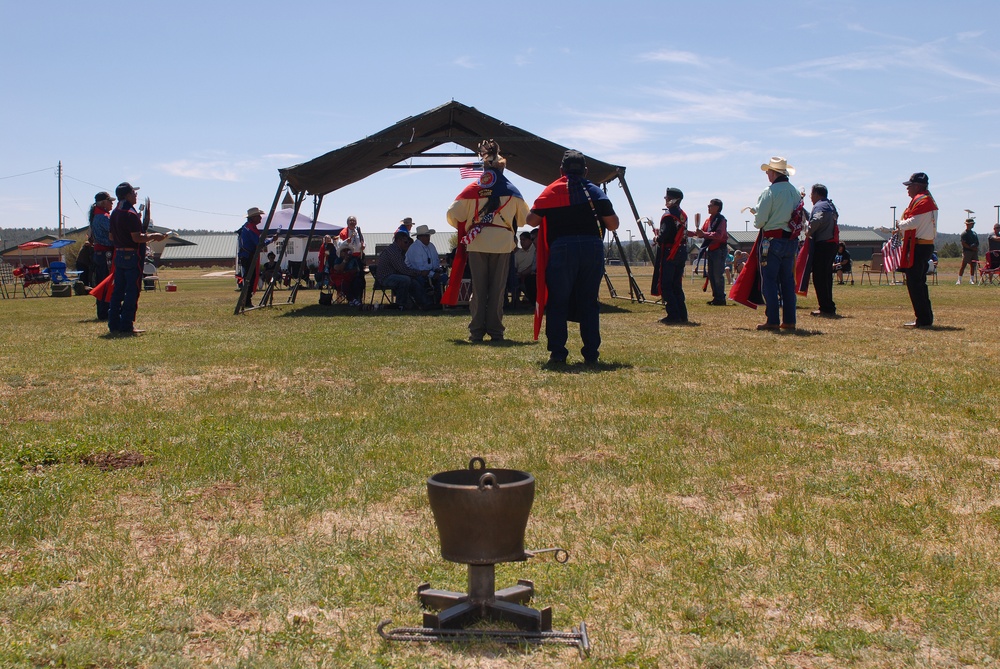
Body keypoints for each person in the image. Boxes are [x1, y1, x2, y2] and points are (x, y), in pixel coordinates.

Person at [526, 149, 619, 363]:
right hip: (592, 248)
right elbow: (613, 224)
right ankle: (591, 354)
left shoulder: (551, 191)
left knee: (558, 301)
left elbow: (531, 221)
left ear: (561, 170)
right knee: (589, 301)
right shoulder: (596, 193)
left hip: (562, 249)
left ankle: (558, 353)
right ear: (586, 171)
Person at [446, 140, 529, 342]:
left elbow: (452, 214)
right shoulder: (512, 191)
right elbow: (525, 219)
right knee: (497, 290)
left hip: (477, 243)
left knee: (479, 288)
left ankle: (476, 332)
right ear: (502, 168)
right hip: (502, 244)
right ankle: (496, 331)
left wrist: (468, 224)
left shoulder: (471, 190)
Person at [107, 182, 167, 335]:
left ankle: (114, 324)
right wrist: (153, 236)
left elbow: (111, 236)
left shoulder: (114, 213)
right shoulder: (130, 214)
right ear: (127, 195)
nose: (136, 195)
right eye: (133, 193)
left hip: (119, 255)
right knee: (132, 291)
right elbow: (137, 238)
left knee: (118, 291)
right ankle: (127, 324)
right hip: (132, 256)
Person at [753, 157, 802, 331]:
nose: (767, 174)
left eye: (768, 171)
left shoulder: (770, 192)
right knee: (788, 282)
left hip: (772, 241)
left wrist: (756, 216)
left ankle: (772, 319)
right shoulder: (795, 192)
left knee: (770, 281)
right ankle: (789, 320)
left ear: (774, 173)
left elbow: (760, 221)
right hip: (790, 241)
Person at [898, 172, 938, 327]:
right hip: (922, 245)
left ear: (917, 186)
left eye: (909, 186)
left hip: (919, 246)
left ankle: (923, 319)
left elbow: (913, 222)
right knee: (919, 283)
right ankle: (925, 317)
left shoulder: (923, 201)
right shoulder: (925, 199)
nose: (907, 189)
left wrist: (899, 224)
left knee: (915, 283)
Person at [650, 187, 690, 323]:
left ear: (673, 199)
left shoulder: (668, 215)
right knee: (676, 284)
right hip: (681, 252)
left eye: (667, 197)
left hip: (670, 253)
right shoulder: (682, 214)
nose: (665, 200)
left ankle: (673, 315)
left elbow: (665, 236)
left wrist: (657, 238)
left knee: (666, 284)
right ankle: (682, 314)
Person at [806, 184, 840, 317]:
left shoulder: (820, 205)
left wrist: (808, 232)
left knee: (820, 277)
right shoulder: (830, 205)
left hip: (823, 244)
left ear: (816, 194)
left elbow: (817, 219)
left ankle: (825, 307)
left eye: (811, 194)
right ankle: (828, 306)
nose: (810, 198)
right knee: (826, 277)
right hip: (832, 243)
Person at [375, 230, 430, 310]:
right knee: (405, 280)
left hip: (392, 275)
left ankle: (423, 303)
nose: (407, 245)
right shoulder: (393, 252)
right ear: (399, 240)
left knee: (412, 281)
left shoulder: (398, 251)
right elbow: (402, 269)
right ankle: (401, 305)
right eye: (406, 242)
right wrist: (420, 273)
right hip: (385, 278)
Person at [690, 198, 728, 306]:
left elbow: (719, 235)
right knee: (711, 274)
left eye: (711, 205)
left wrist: (704, 234)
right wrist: (688, 233)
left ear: (717, 207)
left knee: (717, 274)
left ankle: (720, 298)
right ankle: (716, 297)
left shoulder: (721, 220)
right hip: (711, 249)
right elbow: (701, 233)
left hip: (719, 249)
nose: (708, 207)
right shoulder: (708, 220)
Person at [89, 191, 115, 320]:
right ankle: (105, 311)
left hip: (101, 254)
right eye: (110, 201)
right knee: (106, 283)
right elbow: (114, 231)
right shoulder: (103, 217)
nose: (112, 204)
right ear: (103, 202)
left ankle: (104, 310)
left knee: (103, 281)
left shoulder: (98, 216)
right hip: (105, 254)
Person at [405, 224, 447, 303]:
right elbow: (419, 268)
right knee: (421, 280)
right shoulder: (414, 248)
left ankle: (438, 301)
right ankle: (426, 302)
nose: (428, 238)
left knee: (443, 277)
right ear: (420, 237)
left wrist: (437, 270)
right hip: (415, 274)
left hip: (429, 273)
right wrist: (433, 274)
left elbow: (435, 261)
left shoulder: (431, 246)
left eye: (428, 236)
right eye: (426, 236)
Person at [237, 207, 267, 299]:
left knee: (250, 278)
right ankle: (246, 300)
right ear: (253, 218)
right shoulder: (250, 228)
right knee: (250, 278)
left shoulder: (247, 227)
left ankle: (246, 299)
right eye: (258, 216)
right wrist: (270, 240)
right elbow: (259, 243)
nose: (260, 218)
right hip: (248, 256)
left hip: (247, 256)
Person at [512, 231, 536, 307]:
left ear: (530, 240)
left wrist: (523, 273)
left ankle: (533, 302)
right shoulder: (518, 254)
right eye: (521, 240)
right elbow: (514, 267)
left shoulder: (535, 249)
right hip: (519, 277)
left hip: (531, 274)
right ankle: (514, 302)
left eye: (524, 240)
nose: (522, 242)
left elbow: (534, 265)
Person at [957, 217, 979, 284]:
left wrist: (975, 247)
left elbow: (977, 242)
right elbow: (964, 243)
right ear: (968, 224)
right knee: (963, 265)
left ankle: (971, 279)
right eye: (972, 224)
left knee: (973, 265)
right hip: (967, 252)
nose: (973, 225)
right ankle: (959, 280)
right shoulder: (964, 233)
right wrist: (970, 248)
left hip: (974, 252)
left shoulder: (974, 233)